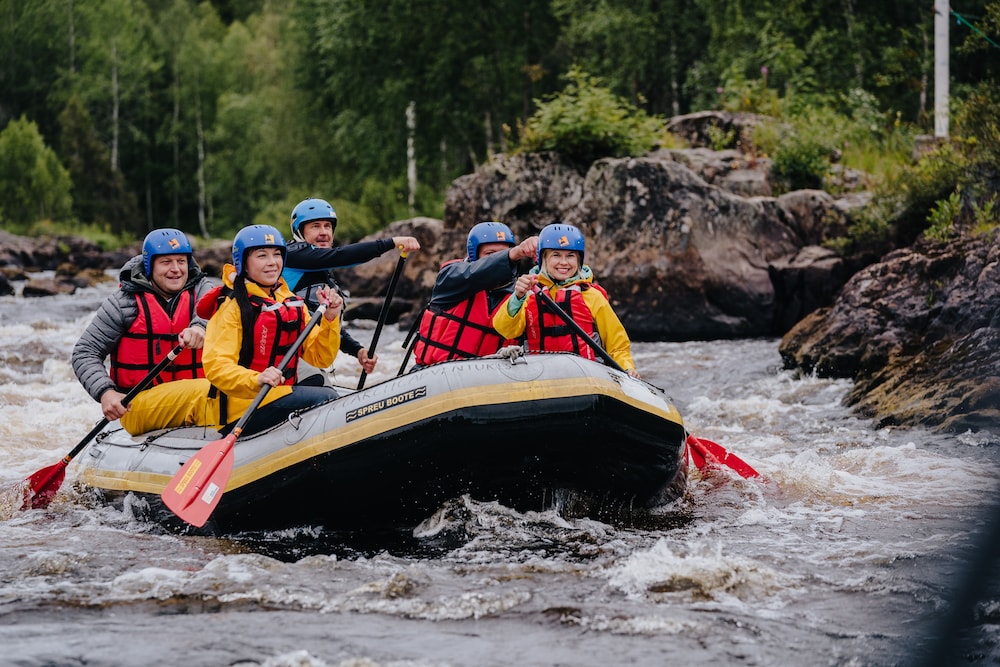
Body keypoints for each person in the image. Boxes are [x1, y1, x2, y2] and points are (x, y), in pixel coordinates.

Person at [71, 228, 220, 435]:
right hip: (139, 406)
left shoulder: (203, 289)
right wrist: (106, 393)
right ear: (150, 266)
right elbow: (85, 352)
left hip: (197, 399)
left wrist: (199, 327)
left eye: (181, 261)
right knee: (207, 391)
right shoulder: (124, 303)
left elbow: (212, 310)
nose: (176, 269)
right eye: (166, 262)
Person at [202, 224, 344, 435]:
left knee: (320, 381)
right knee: (327, 398)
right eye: (262, 256)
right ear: (243, 263)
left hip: (277, 392)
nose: (272, 262)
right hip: (243, 406)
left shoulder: (289, 301)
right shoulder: (232, 307)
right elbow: (217, 367)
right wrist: (256, 379)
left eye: (277, 254)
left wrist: (330, 319)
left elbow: (320, 358)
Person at [281, 197, 421, 380]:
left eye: (327, 226)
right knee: (321, 385)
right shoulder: (291, 255)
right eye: (315, 226)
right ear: (299, 231)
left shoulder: (321, 270)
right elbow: (342, 255)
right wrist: (392, 242)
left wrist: (357, 350)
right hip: (283, 360)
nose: (324, 232)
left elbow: (327, 323)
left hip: (307, 356)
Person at [491, 223, 640, 377]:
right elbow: (504, 330)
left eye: (570, 256)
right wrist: (517, 297)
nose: (564, 262)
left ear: (579, 260)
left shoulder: (592, 296)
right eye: (556, 255)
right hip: (541, 376)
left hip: (587, 377)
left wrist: (627, 368)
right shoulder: (528, 295)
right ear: (543, 259)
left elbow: (617, 345)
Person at [411, 221, 538, 365]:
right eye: (490, 254)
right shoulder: (450, 277)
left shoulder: (521, 294)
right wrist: (515, 252)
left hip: (489, 375)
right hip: (436, 370)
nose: (495, 258)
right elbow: (473, 272)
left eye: (503, 252)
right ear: (474, 255)